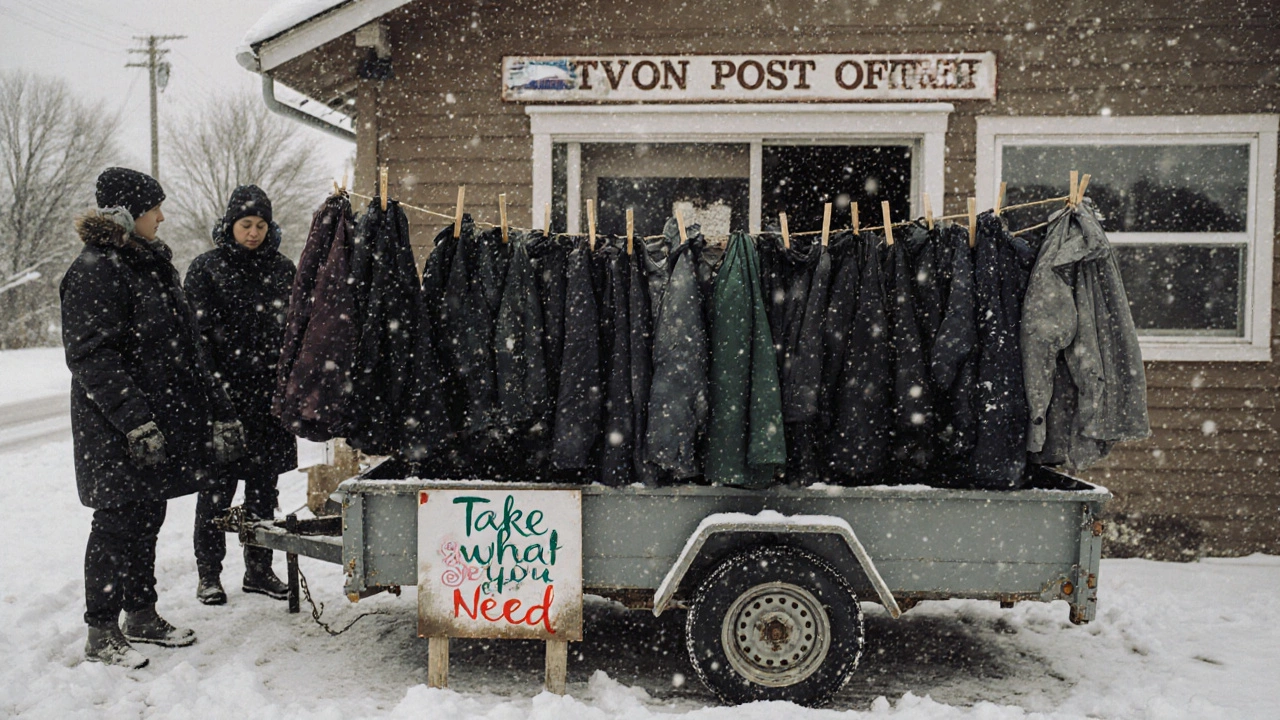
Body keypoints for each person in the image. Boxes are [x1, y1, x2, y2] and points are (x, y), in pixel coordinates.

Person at [62, 167, 246, 669]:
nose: (161, 216)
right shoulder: (96, 269)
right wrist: (136, 422)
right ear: (126, 213)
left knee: (147, 516)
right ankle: (101, 630)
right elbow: (92, 357)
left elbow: (187, 347)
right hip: (117, 428)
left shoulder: (148, 265)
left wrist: (217, 410)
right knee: (117, 522)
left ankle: (140, 614)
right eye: (153, 208)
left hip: (157, 424)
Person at [185, 185, 298, 605]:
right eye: (246, 224)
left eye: (261, 225)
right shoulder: (206, 270)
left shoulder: (284, 270)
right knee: (216, 490)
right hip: (222, 400)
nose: (253, 233)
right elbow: (195, 341)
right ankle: (209, 574)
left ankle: (259, 569)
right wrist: (214, 394)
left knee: (264, 489)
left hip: (269, 401)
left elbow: (294, 334)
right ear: (230, 225)